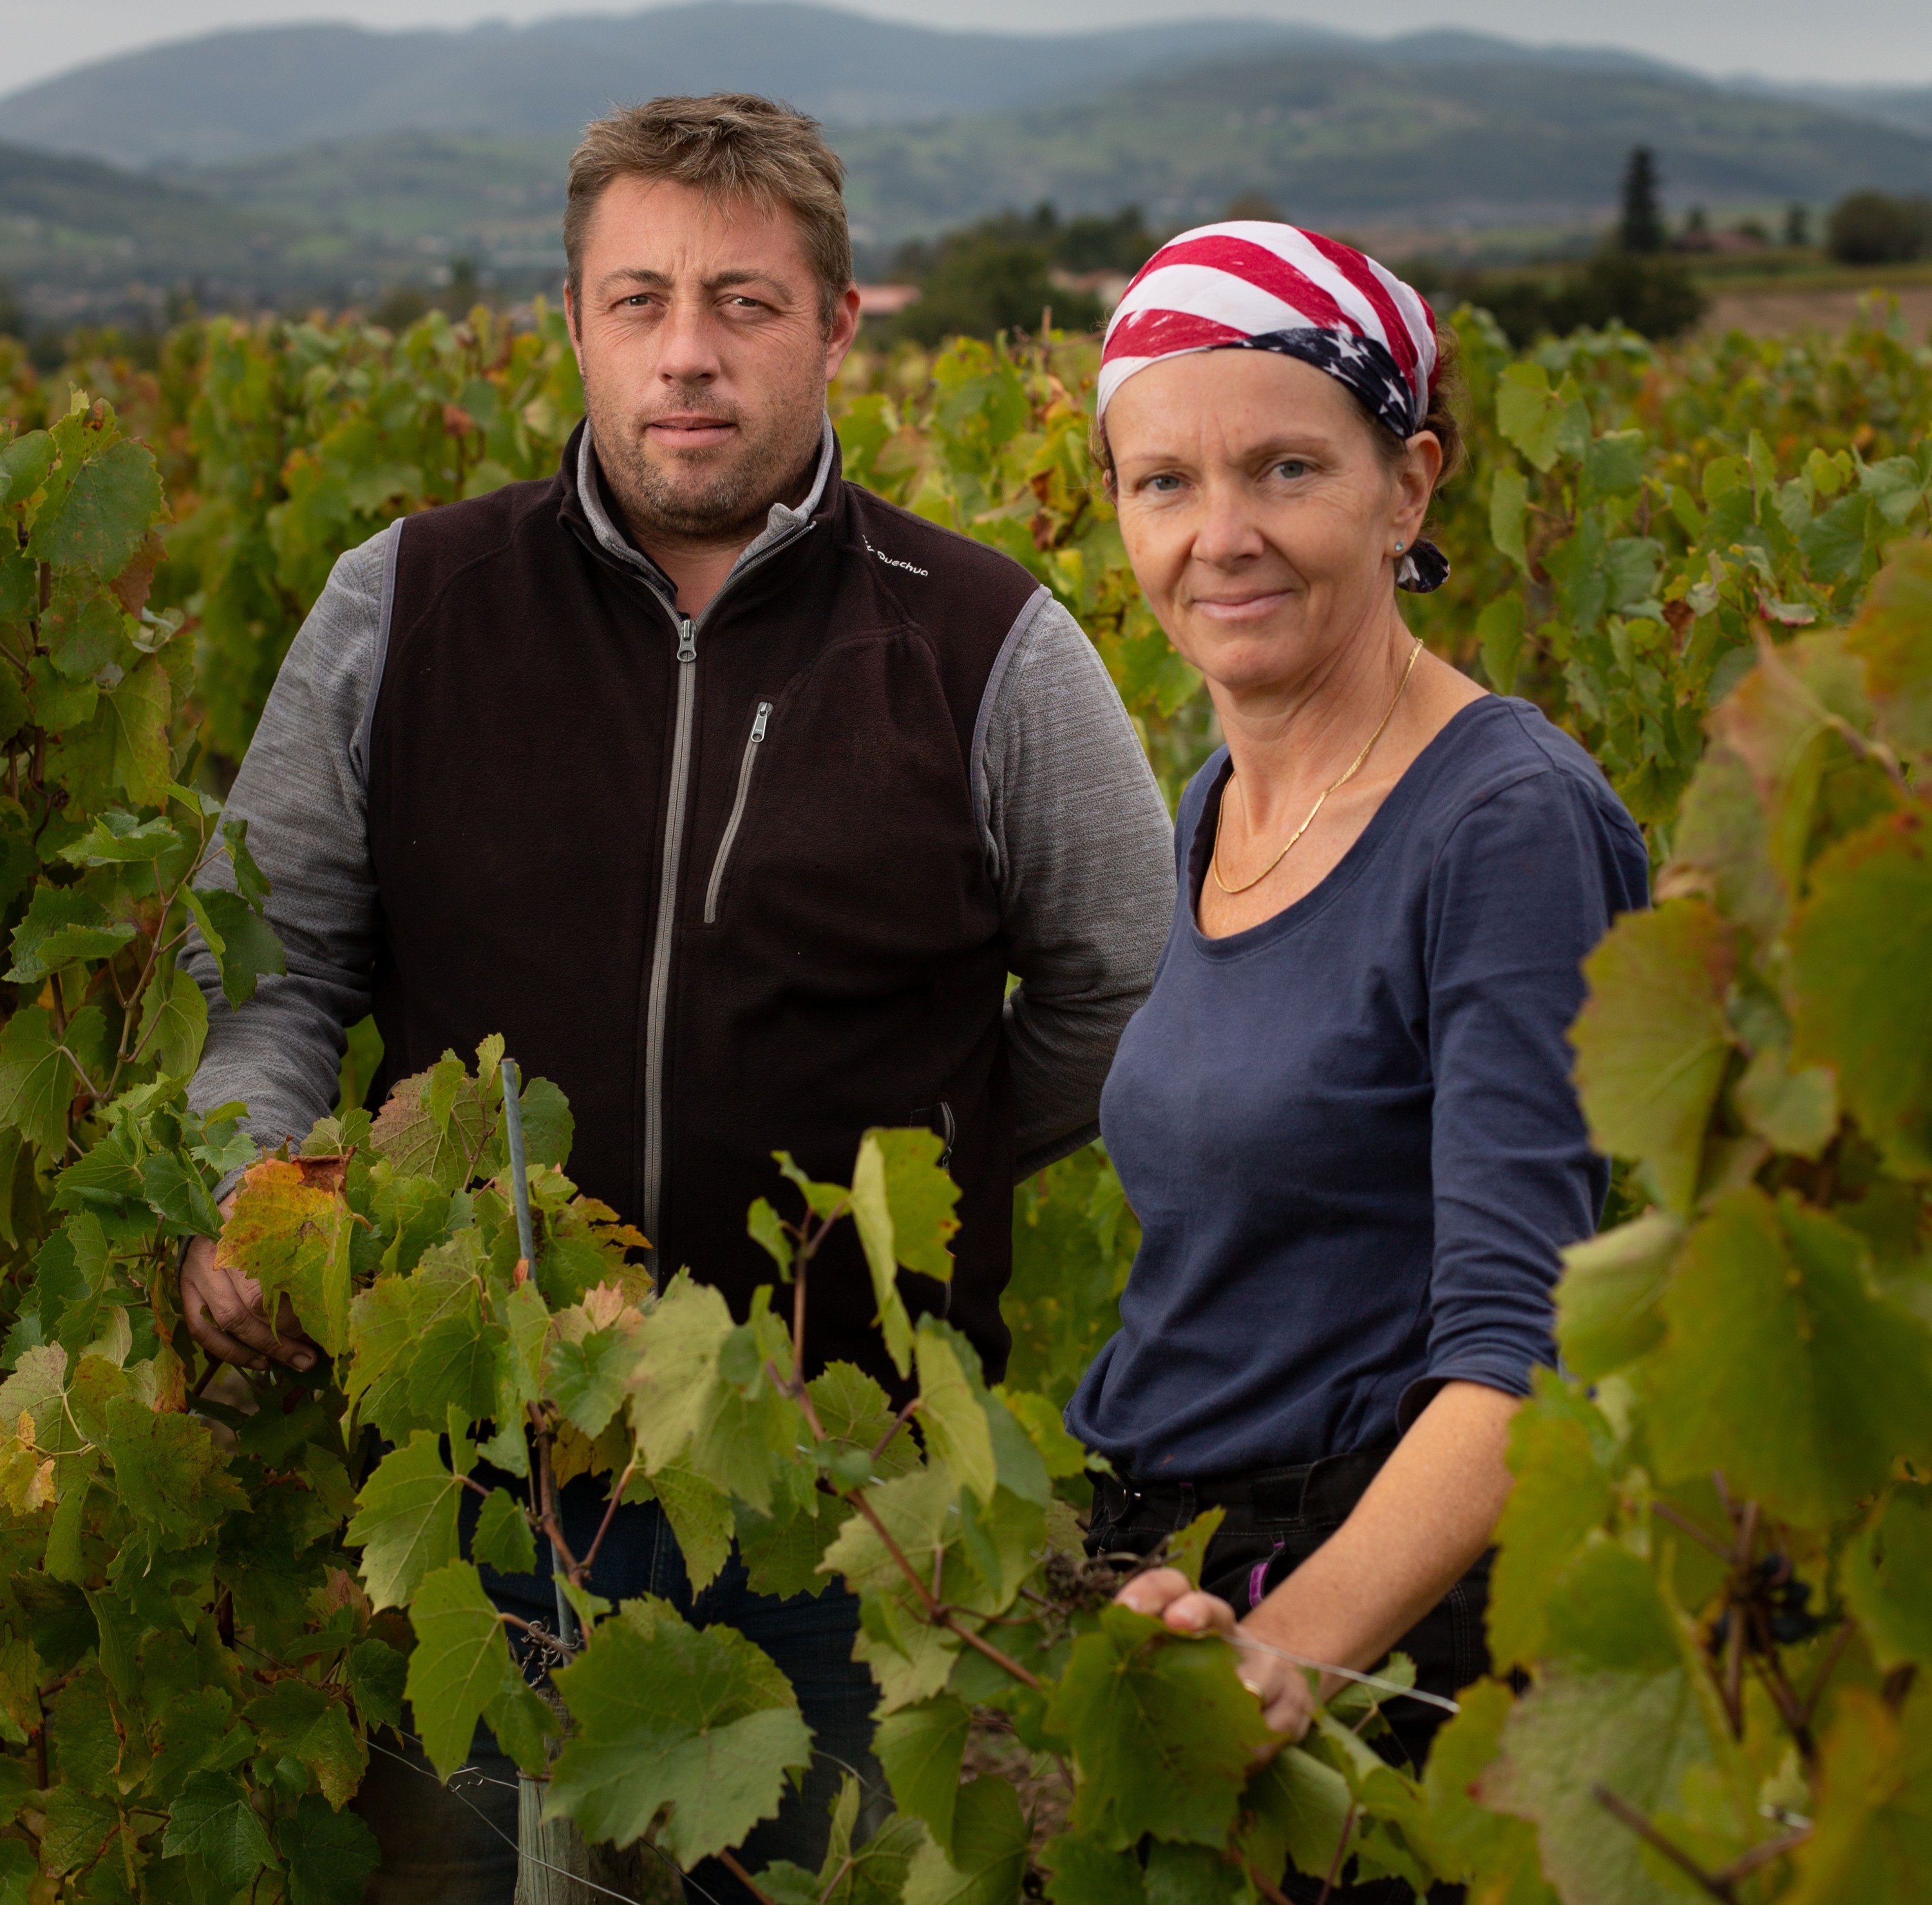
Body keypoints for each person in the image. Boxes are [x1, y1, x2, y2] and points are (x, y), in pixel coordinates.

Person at [176, 95, 1174, 1904]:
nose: (687, 355)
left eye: (743, 301)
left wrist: (920, 1168)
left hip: (845, 1503)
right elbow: (272, 967)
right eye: (638, 302)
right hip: (480, 1479)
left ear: (841, 323)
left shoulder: (981, 642)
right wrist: (256, 1176)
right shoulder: (402, 604)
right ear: (574, 320)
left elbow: (1124, 988)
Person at [1062, 222, 1649, 1891]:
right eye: (1163, 483)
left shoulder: (1508, 830)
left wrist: (1289, 1652)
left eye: (1285, 468)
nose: (1219, 536)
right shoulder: (1219, 800)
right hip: (1178, 1572)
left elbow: (1529, 1359)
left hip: (1378, 1645)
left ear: (1410, 487)